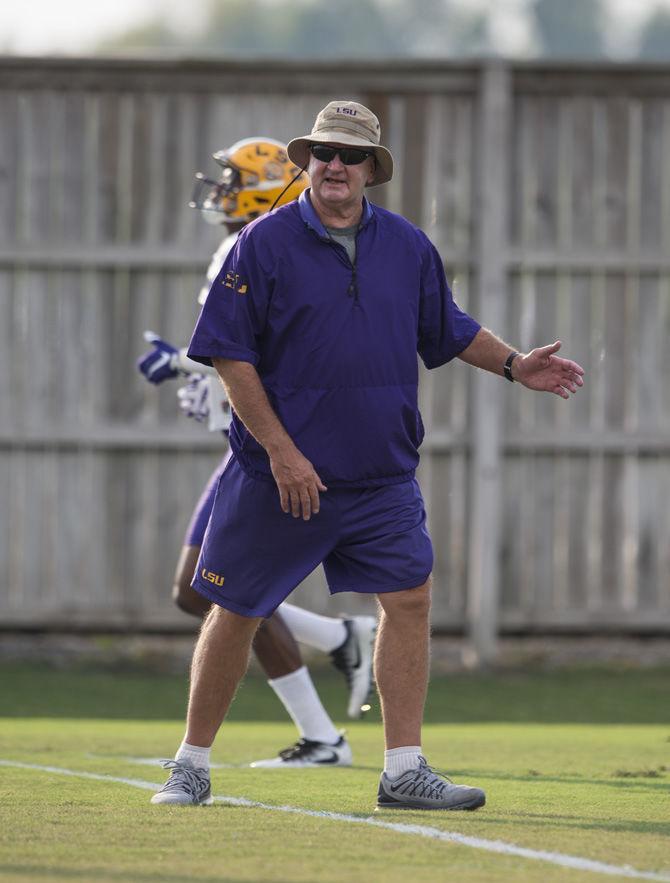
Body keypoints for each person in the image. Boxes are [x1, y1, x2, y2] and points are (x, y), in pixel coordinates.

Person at [150, 102, 585, 809]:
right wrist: (283, 452)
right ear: (306, 162)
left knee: (410, 599)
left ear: (370, 170)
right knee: (233, 605)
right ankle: (191, 764)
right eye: (322, 152)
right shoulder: (258, 244)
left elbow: (447, 328)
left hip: (382, 473)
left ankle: (404, 769)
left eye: (350, 155)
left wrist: (513, 365)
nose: (334, 165)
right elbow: (229, 355)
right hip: (280, 474)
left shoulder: (409, 246)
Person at [137, 137, 377, 768]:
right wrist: (189, 374)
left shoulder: (270, 247)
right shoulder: (252, 243)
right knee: (204, 591)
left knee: (209, 589)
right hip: (252, 443)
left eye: (232, 180)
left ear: (268, 181)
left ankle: (325, 724)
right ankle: (335, 658)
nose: (220, 193)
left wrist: (186, 372)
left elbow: (255, 361)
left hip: (270, 447)